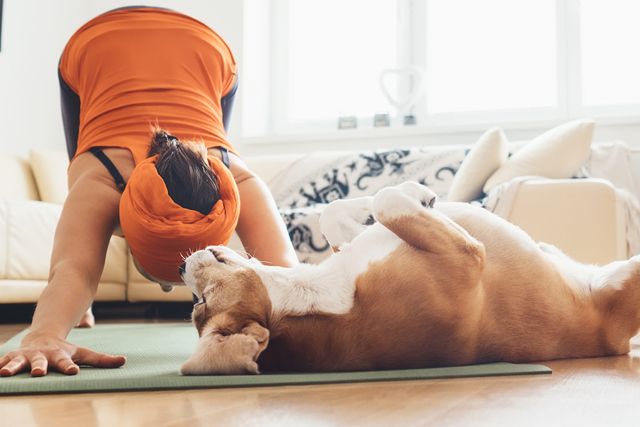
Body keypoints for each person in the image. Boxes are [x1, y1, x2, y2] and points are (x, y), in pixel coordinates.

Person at [0, 6, 298, 377]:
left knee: (84, 199)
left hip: (208, 52)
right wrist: (43, 334)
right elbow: (74, 268)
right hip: (95, 45)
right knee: (79, 168)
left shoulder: (235, 182)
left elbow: (287, 276)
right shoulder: (102, 178)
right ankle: (74, 307)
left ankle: (75, 306)